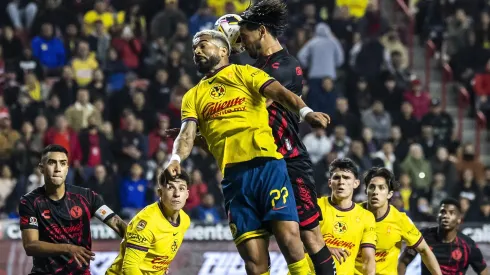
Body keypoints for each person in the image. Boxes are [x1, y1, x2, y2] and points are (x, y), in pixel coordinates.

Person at [165, 29, 330, 275]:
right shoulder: (193, 96)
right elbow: (186, 134)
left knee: (290, 240)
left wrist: (307, 113)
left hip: (268, 167)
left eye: (203, 45)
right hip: (234, 179)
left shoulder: (246, 73)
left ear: (223, 50)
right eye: (194, 49)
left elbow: (283, 94)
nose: (197, 51)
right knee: (254, 262)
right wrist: (176, 158)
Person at [238, 1, 336, 273]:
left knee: (310, 236)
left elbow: (247, 107)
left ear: (261, 31)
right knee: (273, 241)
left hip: (289, 160)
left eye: (244, 37)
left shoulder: (283, 67)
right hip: (262, 163)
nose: (242, 44)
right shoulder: (259, 65)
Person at [19, 144, 126, 274]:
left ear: (67, 169)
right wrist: (68, 248)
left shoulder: (87, 197)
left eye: (62, 163)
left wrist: (139, 242)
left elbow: (117, 223)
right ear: (41, 168)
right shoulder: (30, 201)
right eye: (52, 163)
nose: (58, 169)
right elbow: (31, 246)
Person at [355, 167, 441, 275]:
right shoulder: (352, 214)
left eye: (381, 188)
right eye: (372, 187)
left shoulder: (400, 220)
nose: (376, 192)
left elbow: (424, 250)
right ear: (366, 191)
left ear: (390, 194)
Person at [106, 170, 191, 274]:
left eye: (181, 188)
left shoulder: (185, 220)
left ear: (187, 194)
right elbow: (129, 267)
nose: (177, 194)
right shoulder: (146, 222)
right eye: (170, 188)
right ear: (160, 193)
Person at [311, 158, 376, 275]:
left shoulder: (366, 217)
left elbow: (368, 259)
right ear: (330, 182)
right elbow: (293, 242)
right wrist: (325, 250)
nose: (341, 181)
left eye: (346, 177)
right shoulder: (314, 206)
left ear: (356, 183)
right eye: (337, 177)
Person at [398, 198, 488, 275]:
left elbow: (483, 271)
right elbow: (403, 262)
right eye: (443, 212)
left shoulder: (468, 245)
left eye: (451, 213)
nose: (446, 216)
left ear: (459, 219)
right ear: (438, 216)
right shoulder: (423, 237)